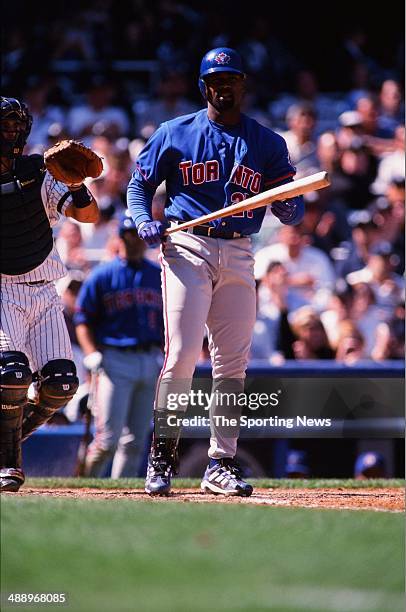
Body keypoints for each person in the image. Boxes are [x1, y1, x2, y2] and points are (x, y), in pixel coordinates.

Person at [127, 47, 304, 496]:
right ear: (204, 87)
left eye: (232, 80)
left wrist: (286, 203)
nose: (224, 88)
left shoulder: (267, 142)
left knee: (232, 365)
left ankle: (219, 463)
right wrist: (143, 219)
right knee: (183, 354)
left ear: (243, 85)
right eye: (216, 81)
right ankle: (162, 460)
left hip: (241, 249)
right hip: (188, 245)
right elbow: (138, 185)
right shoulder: (175, 132)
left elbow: (292, 208)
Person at [0, 96, 99, 492]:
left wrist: (77, 186)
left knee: (61, 384)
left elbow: (88, 216)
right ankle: (9, 464)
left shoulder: (38, 169)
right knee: (11, 377)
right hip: (3, 289)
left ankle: (4, 446)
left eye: (15, 125)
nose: (10, 132)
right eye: (3, 125)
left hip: (44, 289)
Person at [74, 210, 163, 477]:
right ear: (120, 236)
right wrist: (91, 353)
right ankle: (84, 488)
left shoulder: (157, 274)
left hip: (148, 357)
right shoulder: (103, 275)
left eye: (137, 234)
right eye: (128, 234)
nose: (133, 239)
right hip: (115, 359)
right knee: (107, 441)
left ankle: (121, 495)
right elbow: (82, 319)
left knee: (136, 441)